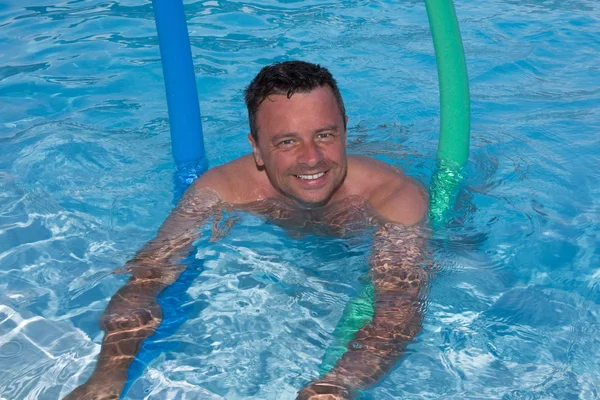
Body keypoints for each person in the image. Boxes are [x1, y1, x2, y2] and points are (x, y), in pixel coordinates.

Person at [66, 60, 430, 400]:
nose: (311, 157)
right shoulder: (223, 190)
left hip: (361, 232)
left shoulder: (395, 198)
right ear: (256, 148)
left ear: (345, 130)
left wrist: (331, 388)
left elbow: (397, 315)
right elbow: (145, 282)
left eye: (325, 135)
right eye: (287, 141)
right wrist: (105, 378)